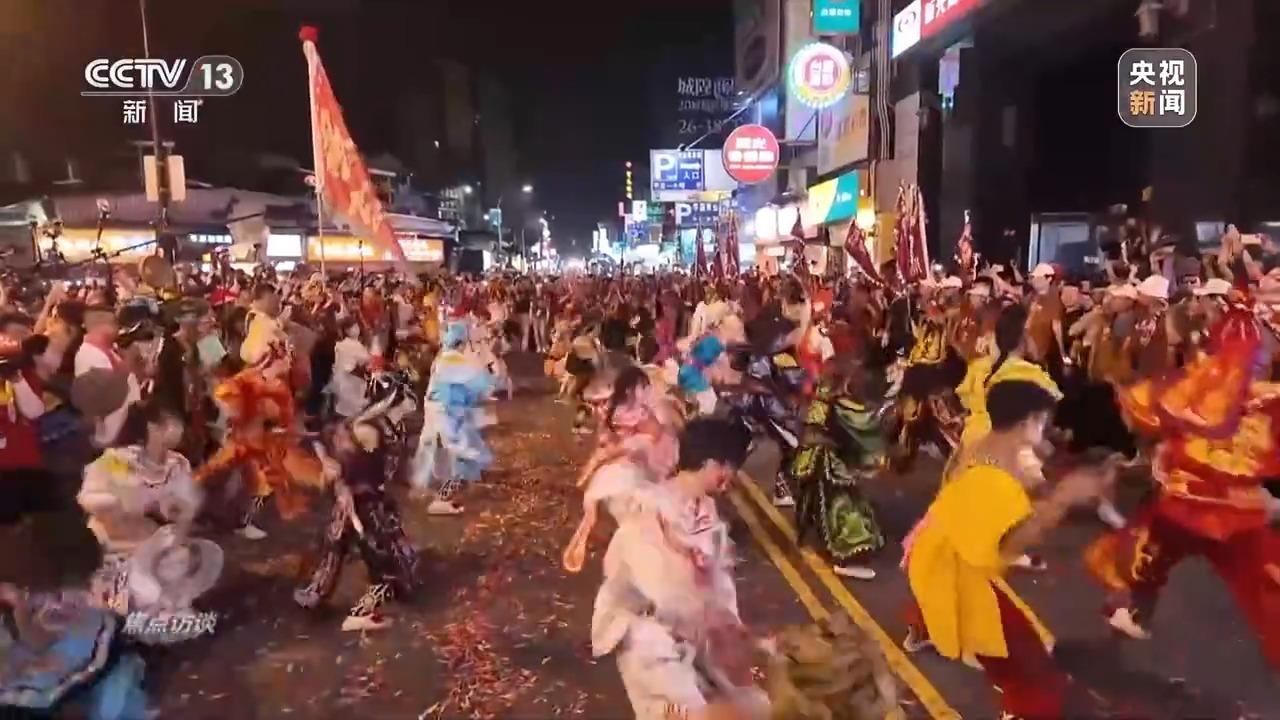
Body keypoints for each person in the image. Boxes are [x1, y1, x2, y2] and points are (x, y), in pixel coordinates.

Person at [906, 380, 1118, 718]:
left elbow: (1020, 496)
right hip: (960, 576)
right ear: (1028, 421)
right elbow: (1013, 542)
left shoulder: (984, 443)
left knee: (1021, 651)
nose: (1047, 430)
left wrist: (1062, 491)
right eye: (1043, 421)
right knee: (1026, 665)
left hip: (944, 557)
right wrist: (1064, 498)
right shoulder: (996, 475)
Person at [1085, 302, 1280, 665]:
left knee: (1151, 554)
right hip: (1210, 505)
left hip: (1211, 507)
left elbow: (1148, 409)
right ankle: (1131, 611)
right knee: (1152, 555)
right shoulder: (1221, 386)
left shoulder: (1228, 389)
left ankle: (1131, 610)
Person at [591, 417, 769, 720]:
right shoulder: (648, 512)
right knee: (697, 711)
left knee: (753, 704)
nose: (732, 477)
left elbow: (718, 579)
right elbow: (662, 590)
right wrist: (710, 619)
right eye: (729, 467)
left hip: (689, 634)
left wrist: (730, 624)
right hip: (649, 639)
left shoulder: (704, 513)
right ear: (712, 463)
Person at [296, 372, 420, 632]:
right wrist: (342, 487)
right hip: (362, 503)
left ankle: (319, 595)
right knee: (383, 563)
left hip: (373, 499)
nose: (411, 401)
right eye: (406, 396)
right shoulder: (367, 430)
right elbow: (344, 465)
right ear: (392, 399)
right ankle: (358, 614)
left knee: (344, 550)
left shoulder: (389, 426)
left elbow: (393, 466)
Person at [77, 400, 205, 616]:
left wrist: (179, 518)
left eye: (178, 424)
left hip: (152, 541)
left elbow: (186, 507)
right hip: (113, 541)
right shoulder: (118, 460)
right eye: (170, 424)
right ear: (151, 428)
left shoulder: (178, 464)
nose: (179, 430)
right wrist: (114, 504)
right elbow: (87, 496)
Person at [790, 357, 886, 580]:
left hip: (830, 460)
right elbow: (814, 433)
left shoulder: (834, 401)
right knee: (842, 508)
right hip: (827, 462)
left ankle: (844, 545)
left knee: (844, 503)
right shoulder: (833, 405)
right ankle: (847, 557)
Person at [411, 321, 494, 515]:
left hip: (438, 415)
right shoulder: (453, 360)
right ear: (461, 342)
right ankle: (440, 500)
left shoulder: (442, 358)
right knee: (461, 459)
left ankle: (438, 495)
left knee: (441, 458)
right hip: (445, 417)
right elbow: (481, 384)